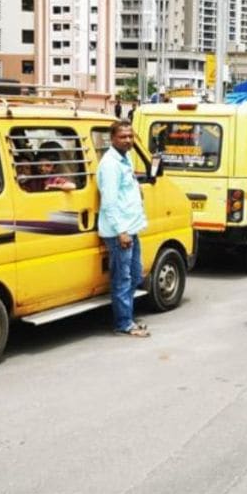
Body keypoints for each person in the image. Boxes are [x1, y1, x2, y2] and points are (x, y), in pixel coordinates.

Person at [97, 121, 150, 338]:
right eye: (123, 137)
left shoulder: (125, 158)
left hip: (131, 227)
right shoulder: (110, 164)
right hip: (120, 231)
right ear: (113, 138)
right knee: (123, 278)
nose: (128, 140)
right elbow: (109, 202)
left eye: (130, 136)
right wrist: (121, 231)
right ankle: (123, 323)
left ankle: (126, 316)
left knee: (136, 274)